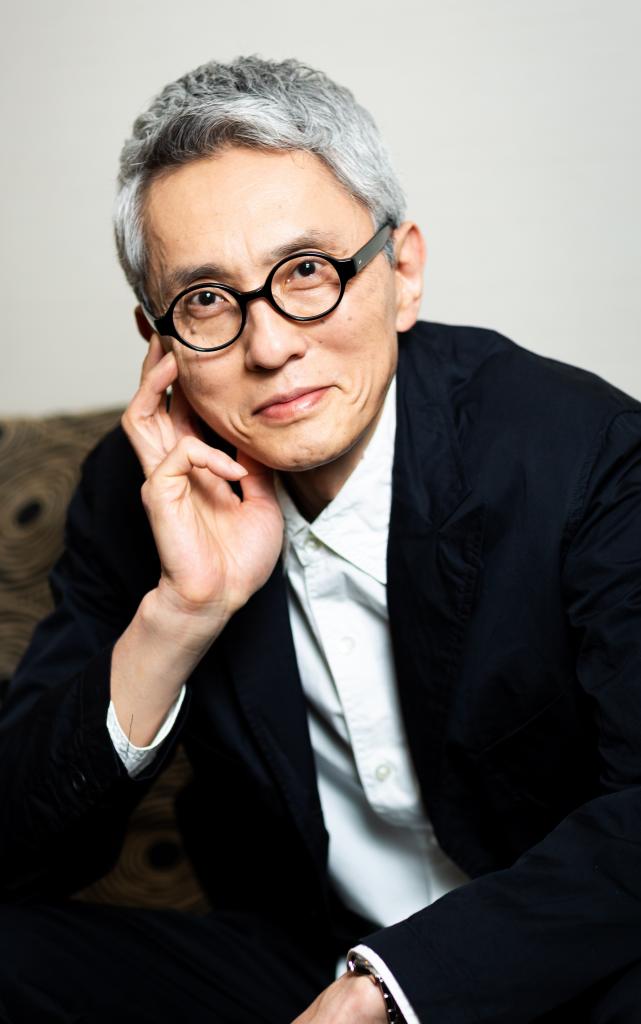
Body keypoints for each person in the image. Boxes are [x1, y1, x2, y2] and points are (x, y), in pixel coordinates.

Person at [1, 54, 640, 1024]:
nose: (269, 347)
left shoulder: (581, 453)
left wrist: (390, 990)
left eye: (306, 271)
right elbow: (21, 851)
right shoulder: (130, 492)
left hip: (565, 966)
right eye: (206, 299)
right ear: (158, 339)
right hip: (303, 961)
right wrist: (182, 614)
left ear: (402, 272)